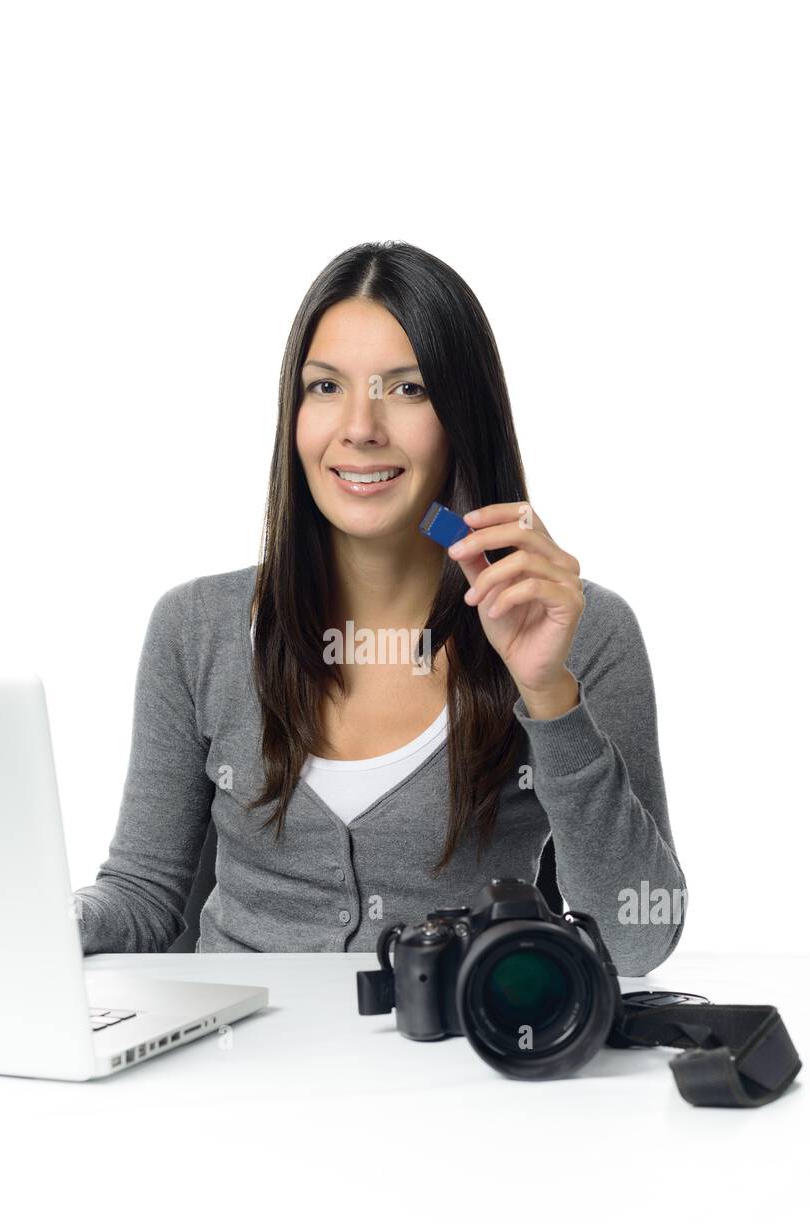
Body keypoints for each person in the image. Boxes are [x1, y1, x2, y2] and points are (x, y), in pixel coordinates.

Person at [75, 240, 687, 974]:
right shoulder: (194, 627)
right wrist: (45, 918)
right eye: (325, 387)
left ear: (464, 418)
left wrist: (549, 695)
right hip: (231, 1068)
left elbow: (635, 938)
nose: (359, 427)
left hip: (458, 1069)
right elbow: (144, 897)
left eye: (407, 389)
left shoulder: (582, 629)